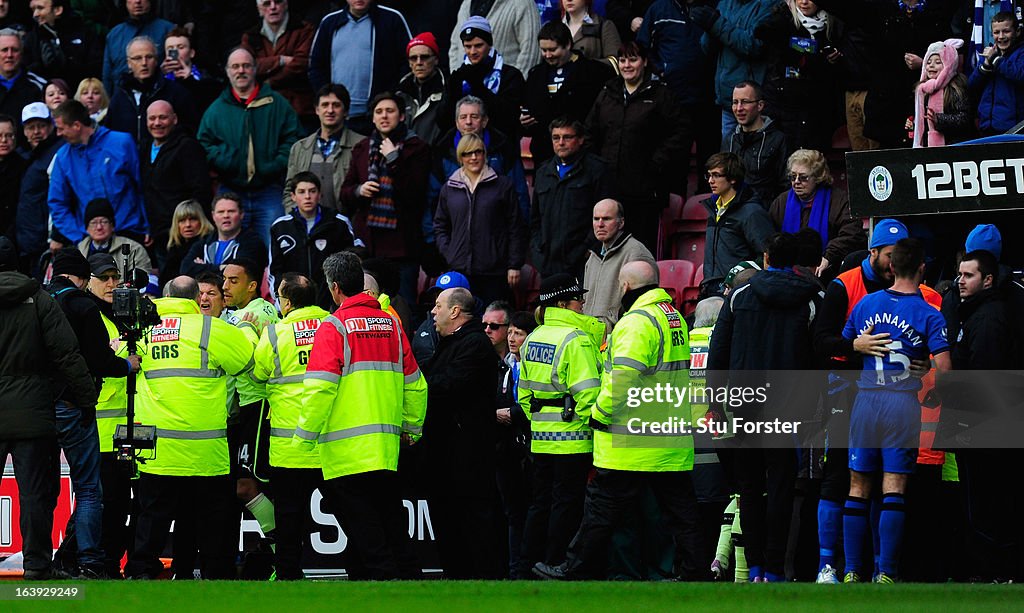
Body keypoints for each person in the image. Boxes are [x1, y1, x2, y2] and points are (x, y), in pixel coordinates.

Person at [533, 260, 701, 581]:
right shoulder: (673, 316)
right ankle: (695, 573)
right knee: (681, 512)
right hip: (668, 439)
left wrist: (599, 414)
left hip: (632, 442)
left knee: (600, 510)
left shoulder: (636, 322)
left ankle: (572, 568)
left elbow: (622, 379)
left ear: (624, 287)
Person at [295, 251, 427, 580]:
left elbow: (320, 388)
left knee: (365, 529)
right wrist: (411, 428)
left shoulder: (334, 327)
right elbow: (416, 384)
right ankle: (409, 580)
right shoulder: (391, 323)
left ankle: (385, 582)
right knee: (390, 522)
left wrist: (304, 437)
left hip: (347, 449)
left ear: (335, 288)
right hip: (386, 446)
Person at [707, 231, 824, 582]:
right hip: (790, 408)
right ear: (797, 263)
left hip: (745, 404)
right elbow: (818, 357)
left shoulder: (740, 296)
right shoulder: (812, 298)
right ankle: (774, 569)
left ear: (766, 258)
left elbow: (719, 352)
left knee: (750, 489)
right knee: (782, 488)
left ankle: (754, 566)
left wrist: (716, 402)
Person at [124, 276, 255, 580]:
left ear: (166, 296)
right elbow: (249, 362)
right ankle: (215, 575)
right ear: (197, 299)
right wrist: (247, 329)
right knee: (211, 519)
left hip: (158, 448)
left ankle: (141, 571)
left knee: (152, 516)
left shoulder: (142, 329)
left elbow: (119, 360)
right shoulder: (211, 328)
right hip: (205, 450)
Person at [840, 238, 952, 584]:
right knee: (894, 488)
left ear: (890, 267)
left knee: (858, 487)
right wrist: (931, 387)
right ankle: (886, 572)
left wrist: (861, 345)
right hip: (901, 404)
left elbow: (845, 347)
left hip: (865, 401)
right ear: (921, 268)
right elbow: (946, 370)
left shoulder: (865, 304)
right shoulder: (929, 314)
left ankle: (851, 570)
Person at [0, 237, 97, 580]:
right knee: (36, 496)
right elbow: (67, 355)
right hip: (33, 413)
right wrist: (87, 398)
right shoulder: (39, 300)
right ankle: (38, 566)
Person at [44, 249, 140, 578]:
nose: (112, 284)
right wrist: (124, 364)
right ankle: (85, 562)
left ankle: (47, 563)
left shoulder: (39, 301)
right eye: (104, 278)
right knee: (90, 491)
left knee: (44, 489)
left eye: (116, 278)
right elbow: (97, 362)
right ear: (86, 280)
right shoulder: (86, 309)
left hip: (39, 406)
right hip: (83, 413)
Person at [517, 273, 603, 579]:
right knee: (566, 505)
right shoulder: (575, 339)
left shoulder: (533, 338)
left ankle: (527, 564)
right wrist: (590, 424)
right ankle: (554, 563)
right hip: (573, 437)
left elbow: (524, 394)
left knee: (539, 504)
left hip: (540, 438)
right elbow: (589, 393)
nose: (583, 304)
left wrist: (540, 421)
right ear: (564, 303)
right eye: (578, 299)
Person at [943, 248, 1021, 582]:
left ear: (987, 279)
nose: (961, 282)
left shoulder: (988, 317)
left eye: (969, 275)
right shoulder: (974, 313)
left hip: (986, 428)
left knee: (988, 501)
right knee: (985, 500)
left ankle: (995, 571)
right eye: (960, 274)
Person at [251, 272, 329, 580]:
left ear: (286, 302)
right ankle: (362, 571)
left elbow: (257, 374)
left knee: (288, 516)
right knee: (350, 513)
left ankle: (287, 574)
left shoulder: (274, 333)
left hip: (289, 445)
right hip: (329, 441)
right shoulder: (332, 325)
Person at [422, 285, 502, 578]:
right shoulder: (451, 343)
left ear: (455, 311)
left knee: (471, 519)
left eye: (439, 306)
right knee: (448, 517)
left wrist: (420, 386)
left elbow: (446, 385)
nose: (433, 311)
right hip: (448, 451)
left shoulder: (475, 345)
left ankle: (480, 577)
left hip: (467, 454)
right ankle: (456, 575)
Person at [585, 41, 687, 255]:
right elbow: (590, 132)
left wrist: (656, 162)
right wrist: (596, 165)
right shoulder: (607, 92)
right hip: (609, 186)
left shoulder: (660, 94)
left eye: (633, 59)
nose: (627, 65)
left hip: (644, 189)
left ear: (645, 62)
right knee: (609, 249)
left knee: (640, 249)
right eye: (622, 60)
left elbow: (681, 132)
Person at [198, 46, 301, 245]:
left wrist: (274, 164)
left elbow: (294, 139)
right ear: (228, 72)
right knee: (229, 248)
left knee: (277, 244)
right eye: (235, 66)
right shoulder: (217, 109)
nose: (241, 71)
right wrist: (227, 162)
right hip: (230, 188)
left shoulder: (276, 104)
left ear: (255, 69)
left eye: (246, 65)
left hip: (269, 188)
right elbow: (204, 144)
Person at [339, 91, 430, 306]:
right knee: (363, 303)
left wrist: (393, 159)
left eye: (390, 111)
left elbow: (415, 193)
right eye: (379, 112)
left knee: (402, 305)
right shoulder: (362, 148)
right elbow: (345, 192)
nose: (384, 116)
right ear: (372, 118)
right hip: (369, 242)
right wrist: (360, 190)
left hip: (403, 244)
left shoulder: (417, 148)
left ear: (401, 116)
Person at [433, 131, 526, 307]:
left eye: (478, 152)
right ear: (461, 157)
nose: (474, 157)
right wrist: (449, 252)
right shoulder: (449, 188)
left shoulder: (503, 185)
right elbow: (440, 225)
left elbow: (515, 227)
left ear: (485, 154)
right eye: (468, 153)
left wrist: (514, 264)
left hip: (494, 270)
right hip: (459, 269)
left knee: (493, 319)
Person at [636, 0, 719, 193]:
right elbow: (643, 46)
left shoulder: (714, 6)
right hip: (672, 98)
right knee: (674, 158)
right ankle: (674, 207)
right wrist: (661, 71)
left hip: (708, 97)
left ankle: (708, 207)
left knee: (709, 157)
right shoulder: (658, 9)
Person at [48, 99, 149, 248]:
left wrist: (147, 226)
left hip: (129, 233)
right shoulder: (63, 158)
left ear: (76, 126)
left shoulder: (122, 143)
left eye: (61, 128)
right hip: (91, 242)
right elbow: (57, 203)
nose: (58, 134)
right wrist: (79, 237)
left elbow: (142, 187)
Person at [308, 0, 412, 135]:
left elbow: (410, 61)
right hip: (338, 116)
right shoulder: (330, 22)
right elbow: (315, 66)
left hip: (380, 117)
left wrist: (391, 96)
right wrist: (329, 100)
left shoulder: (391, 19)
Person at [753, 0, 842, 153]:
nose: (804, 2)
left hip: (818, 109)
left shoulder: (834, 24)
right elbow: (760, 31)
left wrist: (833, 57)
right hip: (784, 104)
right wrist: (805, 47)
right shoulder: (783, 18)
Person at [521, 20, 613, 165]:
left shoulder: (594, 72)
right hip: (545, 157)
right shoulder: (536, 75)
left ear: (568, 45)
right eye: (544, 50)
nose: (548, 55)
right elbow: (528, 108)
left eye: (553, 50)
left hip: (583, 154)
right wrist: (524, 121)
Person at [532, 117, 613, 278]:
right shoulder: (543, 171)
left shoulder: (597, 170)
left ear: (581, 139)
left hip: (582, 264)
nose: (561, 142)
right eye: (556, 138)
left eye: (567, 137)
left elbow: (608, 214)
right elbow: (534, 219)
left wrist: (589, 249)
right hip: (548, 263)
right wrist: (537, 253)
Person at [768, 149, 865, 280]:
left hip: (828, 271)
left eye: (803, 178)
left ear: (818, 178)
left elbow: (852, 233)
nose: (796, 182)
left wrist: (828, 257)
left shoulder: (839, 200)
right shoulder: (781, 202)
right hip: (785, 273)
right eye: (792, 177)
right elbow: (770, 236)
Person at [270, 171, 356, 310]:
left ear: (320, 194)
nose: (307, 196)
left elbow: (352, 263)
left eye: (312, 191)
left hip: (332, 303)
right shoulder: (280, 227)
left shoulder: (339, 223)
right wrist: (280, 299)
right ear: (293, 196)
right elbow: (275, 269)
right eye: (302, 192)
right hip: (294, 304)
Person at [691, 0, 776, 140]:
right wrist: (708, 28)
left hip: (753, 103)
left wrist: (716, 24)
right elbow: (707, 49)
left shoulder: (769, 5)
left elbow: (753, 45)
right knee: (728, 157)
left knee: (755, 156)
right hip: (728, 100)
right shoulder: (725, 3)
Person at [140, 100, 212, 262]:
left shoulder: (187, 147)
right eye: (152, 118)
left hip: (183, 236)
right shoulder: (144, 148)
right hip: (158, 234)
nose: (157, 123)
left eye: (162, 117)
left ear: (175, 119)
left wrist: (189, 224)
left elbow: (201, 190)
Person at [104, 35, 199, 151]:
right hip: (127, 163)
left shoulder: (176, 92)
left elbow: (189, 131)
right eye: (138, 58)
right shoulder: (120, 97)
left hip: (165, 163)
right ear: (129, 63)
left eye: (149, 57)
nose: (144, 63)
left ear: (156, 60)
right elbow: (110, 135)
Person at [496, 308, 536, 578]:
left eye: (518, 333)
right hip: (506, 447)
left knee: (528, 510)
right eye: (509, 332)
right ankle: (514, 570)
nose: (511, 338)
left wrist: (514, 414)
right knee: (512, 512)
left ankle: (526, 567)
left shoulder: (533, 365)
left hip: (531, 445)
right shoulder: (504, 364)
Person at [443, 15, 527, 140]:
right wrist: (452, 94)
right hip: (461, 149)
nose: (472, 52)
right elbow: (442, 121)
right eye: (467, 46)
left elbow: (509, 118)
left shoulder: (510, 75)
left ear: (489, 44)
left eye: (478, 45)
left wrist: (478, 88)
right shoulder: (459, 76)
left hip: (501, 150)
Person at [701, 152, 775, 293]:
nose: (710, 180)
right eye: (709, 175)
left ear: (733, 178)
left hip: (738, 290)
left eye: (716, 175)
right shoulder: (713, 209)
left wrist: (737, 278)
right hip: (710, 287)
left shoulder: (752, 213)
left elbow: (768, 256)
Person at [286, 84, 363, 214]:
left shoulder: (361, 145)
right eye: (325, 105)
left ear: (346, 111)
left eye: (336, 105)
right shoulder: (300, 148)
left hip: (347, 226)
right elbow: (289, 190)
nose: (330, 110)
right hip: (307, 227)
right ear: (317, 110)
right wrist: (295, 219)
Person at [582, 198, 655, 330]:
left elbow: (643, 306)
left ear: (621, 222)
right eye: (596, 219)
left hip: (618, 338)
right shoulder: (592, 256)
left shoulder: (636, 253)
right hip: (591, 337)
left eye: (606, 218)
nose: (600, 224)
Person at [241, 0, 315, 126]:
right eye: (266, 4)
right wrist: (280, 60)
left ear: (286, 4)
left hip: (300, 108)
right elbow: (246, 66)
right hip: (263, 108)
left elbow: (302, 63)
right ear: (259, 10)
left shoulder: (304, 30)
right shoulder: (250, 36)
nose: (273, 7)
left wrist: (269, 82)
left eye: (278, 2)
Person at [720, 81, 789, 205]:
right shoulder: (729, 140)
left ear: (760, 105)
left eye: (745, 102)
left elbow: (785, 186)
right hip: (733, 214)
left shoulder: (778, 140)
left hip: (764, 214)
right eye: (735, 102)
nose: (739, 108)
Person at [15, 101, 62, 275]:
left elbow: (62, 197)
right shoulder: (27, 156)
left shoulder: (57, 152)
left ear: (51, 126)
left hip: (46, 244)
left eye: (41, 126)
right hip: (27, 243)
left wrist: (56, 236)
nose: (36, 132)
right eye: (30, 127)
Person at [181, 193, 267, 277]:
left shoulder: (253, 242)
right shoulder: (204, 242)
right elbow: (185, 269)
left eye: (231, 211)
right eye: (221, 212)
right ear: (213, 216)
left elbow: (238, 273)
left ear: (241, 214)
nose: (226, 216)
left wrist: (202, 268)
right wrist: (221, 267)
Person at [968, 11, 1024, 136]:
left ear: (1017, 32)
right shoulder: (989, 54)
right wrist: (985, 66)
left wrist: (997, 61)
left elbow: (1020, 75)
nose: (1001, 36)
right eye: (996, 32)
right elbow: (971, 85)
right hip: (987, 127)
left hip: (1015, 129)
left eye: (1006, 31)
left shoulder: (1021, 53)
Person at [447, 0, 541, 74]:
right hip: (465, 92)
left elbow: (532, 51)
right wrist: (457, 79)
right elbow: (455, 45)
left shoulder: (522, 4)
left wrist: (516, 85)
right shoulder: (467, 3)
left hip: (505, 92)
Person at [22, 0, 101, 86]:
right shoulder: (31, 39)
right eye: (33, 9)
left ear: (58, 10)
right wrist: (41, 66)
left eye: (40, 8)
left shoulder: (84, 34)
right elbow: (25, 71)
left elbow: (95, 69)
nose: (35, 14)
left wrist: (67, 64)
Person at [910, 38, 972, 147]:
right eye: (928, 63)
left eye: (938, 62)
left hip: (953, 147)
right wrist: (913, 123)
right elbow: (923, 121)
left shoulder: (956, 87)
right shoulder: (922, 90)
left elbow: (964, 119)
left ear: (949, 65)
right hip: (928, 148)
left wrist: (938, 119)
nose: (931, 66)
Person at [102, 0, 173, 94]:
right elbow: (107, 75)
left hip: (159, 97)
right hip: (122, 97)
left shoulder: (168, 30)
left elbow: (176, 65)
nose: (137, 1)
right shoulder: (114, 34)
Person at [396, 32, 447, 148]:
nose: (418, 62)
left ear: (436, 60)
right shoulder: (399, 93)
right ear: (409, 63)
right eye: (413, 58)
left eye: (424, 57)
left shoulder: (449, 91)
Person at [74, 198, 152, 270]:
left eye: (104, 222)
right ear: (86, 228)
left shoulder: (133, 249)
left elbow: (141, 280)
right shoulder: (78, 251)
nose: (99, 227)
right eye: (93, 223)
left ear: (112, 225)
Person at [159, 27, 222, 111]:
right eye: (170, 49)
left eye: (180, 47)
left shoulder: (206, 76)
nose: (175, 52)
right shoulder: (159, 78)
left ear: (191, 53)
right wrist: (159, 76)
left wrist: (190, 81)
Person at [0, 28, 44, 138]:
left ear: (22, 53)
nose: (9, 55)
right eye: (4, 50)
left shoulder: (39, 87)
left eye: (15, 50)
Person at [160, 200, 212, 290]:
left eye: (193, 219)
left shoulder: (209, 245)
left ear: (201, 221)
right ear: (176, 224)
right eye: (182, 220)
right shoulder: (173, 248)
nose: (188, 225)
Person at [562, 0, 622, 67]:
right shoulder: (555, 27)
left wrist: (585, 65)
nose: (569, 0)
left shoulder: (603, 25)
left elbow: (615, 61)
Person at [0, 112, 25, 240]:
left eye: (9, 135)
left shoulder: (23, 164)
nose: (4, 140)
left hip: (15, 234)